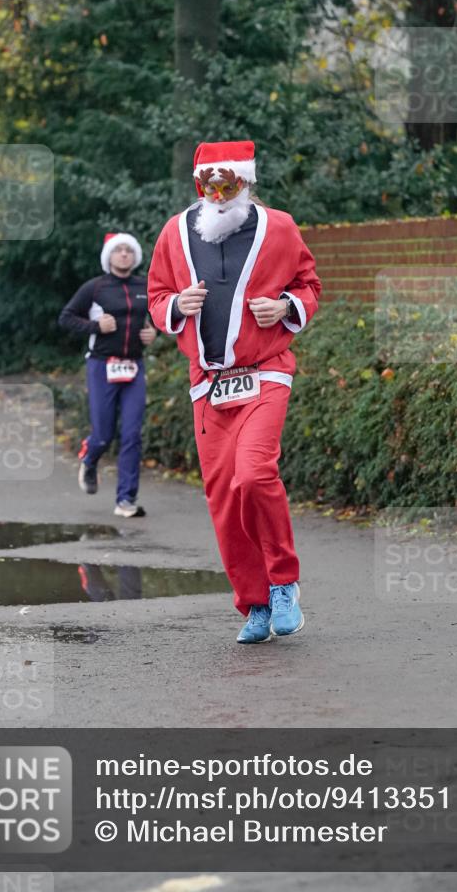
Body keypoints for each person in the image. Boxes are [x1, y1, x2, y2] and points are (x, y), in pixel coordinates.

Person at [148, 140, 321, 643]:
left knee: (253, 474)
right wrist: (178, 304)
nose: (219, 194)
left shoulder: (279, 228)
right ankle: (256, 605)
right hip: (209, 386)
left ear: (247, 183)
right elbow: (157, 294)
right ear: (198, 185)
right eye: (209, 185)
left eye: (230, 184)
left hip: (265, 371)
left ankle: (284, 582)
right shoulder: (175, 232)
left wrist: (286, 306)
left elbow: (310, 283)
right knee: (223, 499)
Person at [58, 233, 157, 517]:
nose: (124, 254)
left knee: (132, 434)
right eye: (118, 250)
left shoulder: (145, 287)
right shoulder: (95, 287)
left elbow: (160, 316)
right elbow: (65, 318)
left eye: (129, 250)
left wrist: (155, 332)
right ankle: (90, 459)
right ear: (109, 256)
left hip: (134, 366)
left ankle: (126, 499)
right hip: (102, 366)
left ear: (135, 256)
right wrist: (94, 326)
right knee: (103, 434)